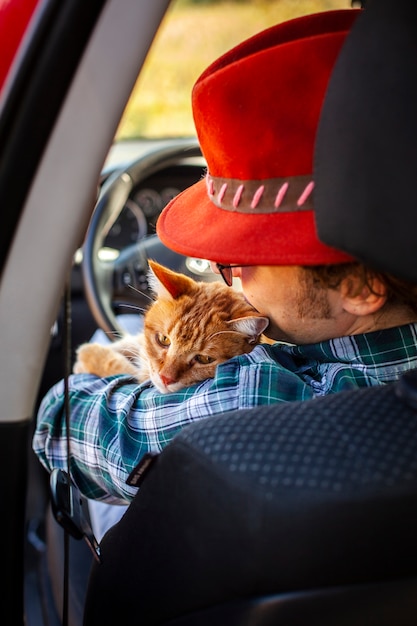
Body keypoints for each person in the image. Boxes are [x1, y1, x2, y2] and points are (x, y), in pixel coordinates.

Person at [33, 8, 417, 507]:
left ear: (360, 289)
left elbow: (57, 425)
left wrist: (108, 366)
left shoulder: (258, 394)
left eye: (241, 259)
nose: (226, 278)